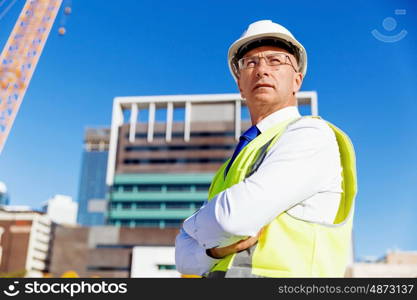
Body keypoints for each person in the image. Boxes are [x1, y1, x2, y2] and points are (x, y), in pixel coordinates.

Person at [175, 20, 357, 278]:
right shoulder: (232, 164)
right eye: (250, 62)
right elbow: (182, 258)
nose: (261, 70)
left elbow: (232, 219)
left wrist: (192, 227)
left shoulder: (311, 136)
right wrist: (213, 251)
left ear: (297, 80)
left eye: (276, 61)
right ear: (240, 84)